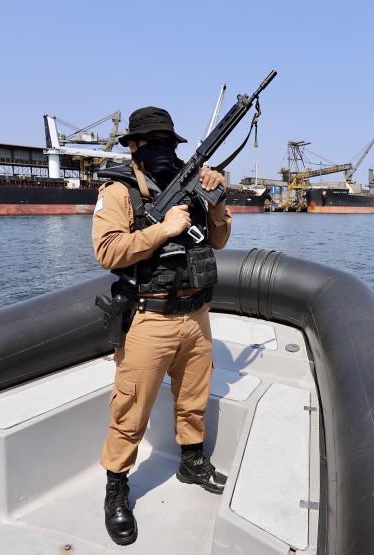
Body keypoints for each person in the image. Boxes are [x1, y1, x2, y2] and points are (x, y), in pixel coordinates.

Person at [91, 106, 231, 546]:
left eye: (168, 142)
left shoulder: (189, 187)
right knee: (130, 409)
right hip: (149, 317)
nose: (163, 150)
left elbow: (218, 240)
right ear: (133, 146)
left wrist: (216, 200)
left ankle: (191, 462)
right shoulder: (119, 191)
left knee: (194, 398)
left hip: (196, 315)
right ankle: (117, 487)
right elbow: (108, 252)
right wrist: (164, 229)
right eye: (153, 142)